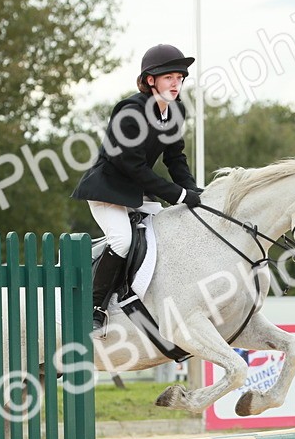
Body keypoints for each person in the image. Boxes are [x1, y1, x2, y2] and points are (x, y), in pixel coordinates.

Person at [72, 43, 203, 329]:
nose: (176, 84)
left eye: (180, 78)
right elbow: (132, 166)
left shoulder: (175, 111)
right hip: (108, 190)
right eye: (169, 77)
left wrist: (194, 192)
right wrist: (178, 194)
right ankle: (93, 307)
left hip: (137, 193)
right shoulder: (130, 112)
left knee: (169, 235)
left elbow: (175, 158)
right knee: (123, 241)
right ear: (150, 80)